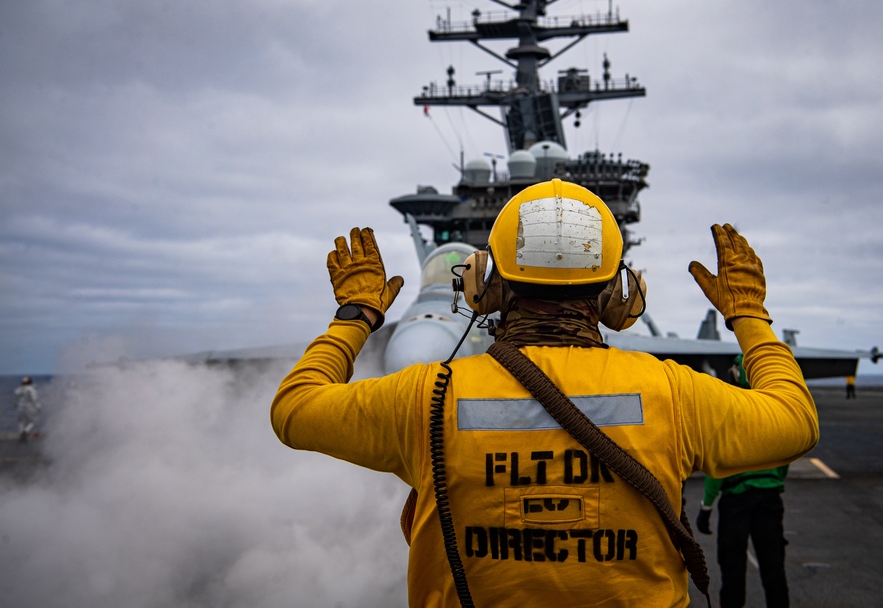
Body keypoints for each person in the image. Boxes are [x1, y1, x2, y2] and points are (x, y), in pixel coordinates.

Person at [271, 180, 820, 607]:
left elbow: (294, 410)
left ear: (485, 285)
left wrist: (355, 316)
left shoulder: (426, 397)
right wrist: (748, 314)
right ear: (618, 295)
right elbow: (796, 421)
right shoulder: (672, 392)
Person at [696, 355, 790, 608]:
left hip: (736, 501)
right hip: (770, 499)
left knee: (732, 568)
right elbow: (786, 456)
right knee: (774, 568)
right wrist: (770, 478)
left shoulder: (728, 410)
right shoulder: (774, 409)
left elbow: (717, 464)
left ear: (738, 374)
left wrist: (706, 506)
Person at [14, 376, 40, 442]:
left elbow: (15, 401)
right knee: (33, 422)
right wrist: (38, 407)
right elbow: (34, 400)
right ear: (30, 382)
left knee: (20, 422)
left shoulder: (18, 390)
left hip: (19, 408)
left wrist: (16, 406)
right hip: (29, 407)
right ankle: (26, 432)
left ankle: (22, 436)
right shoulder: (31, 389)